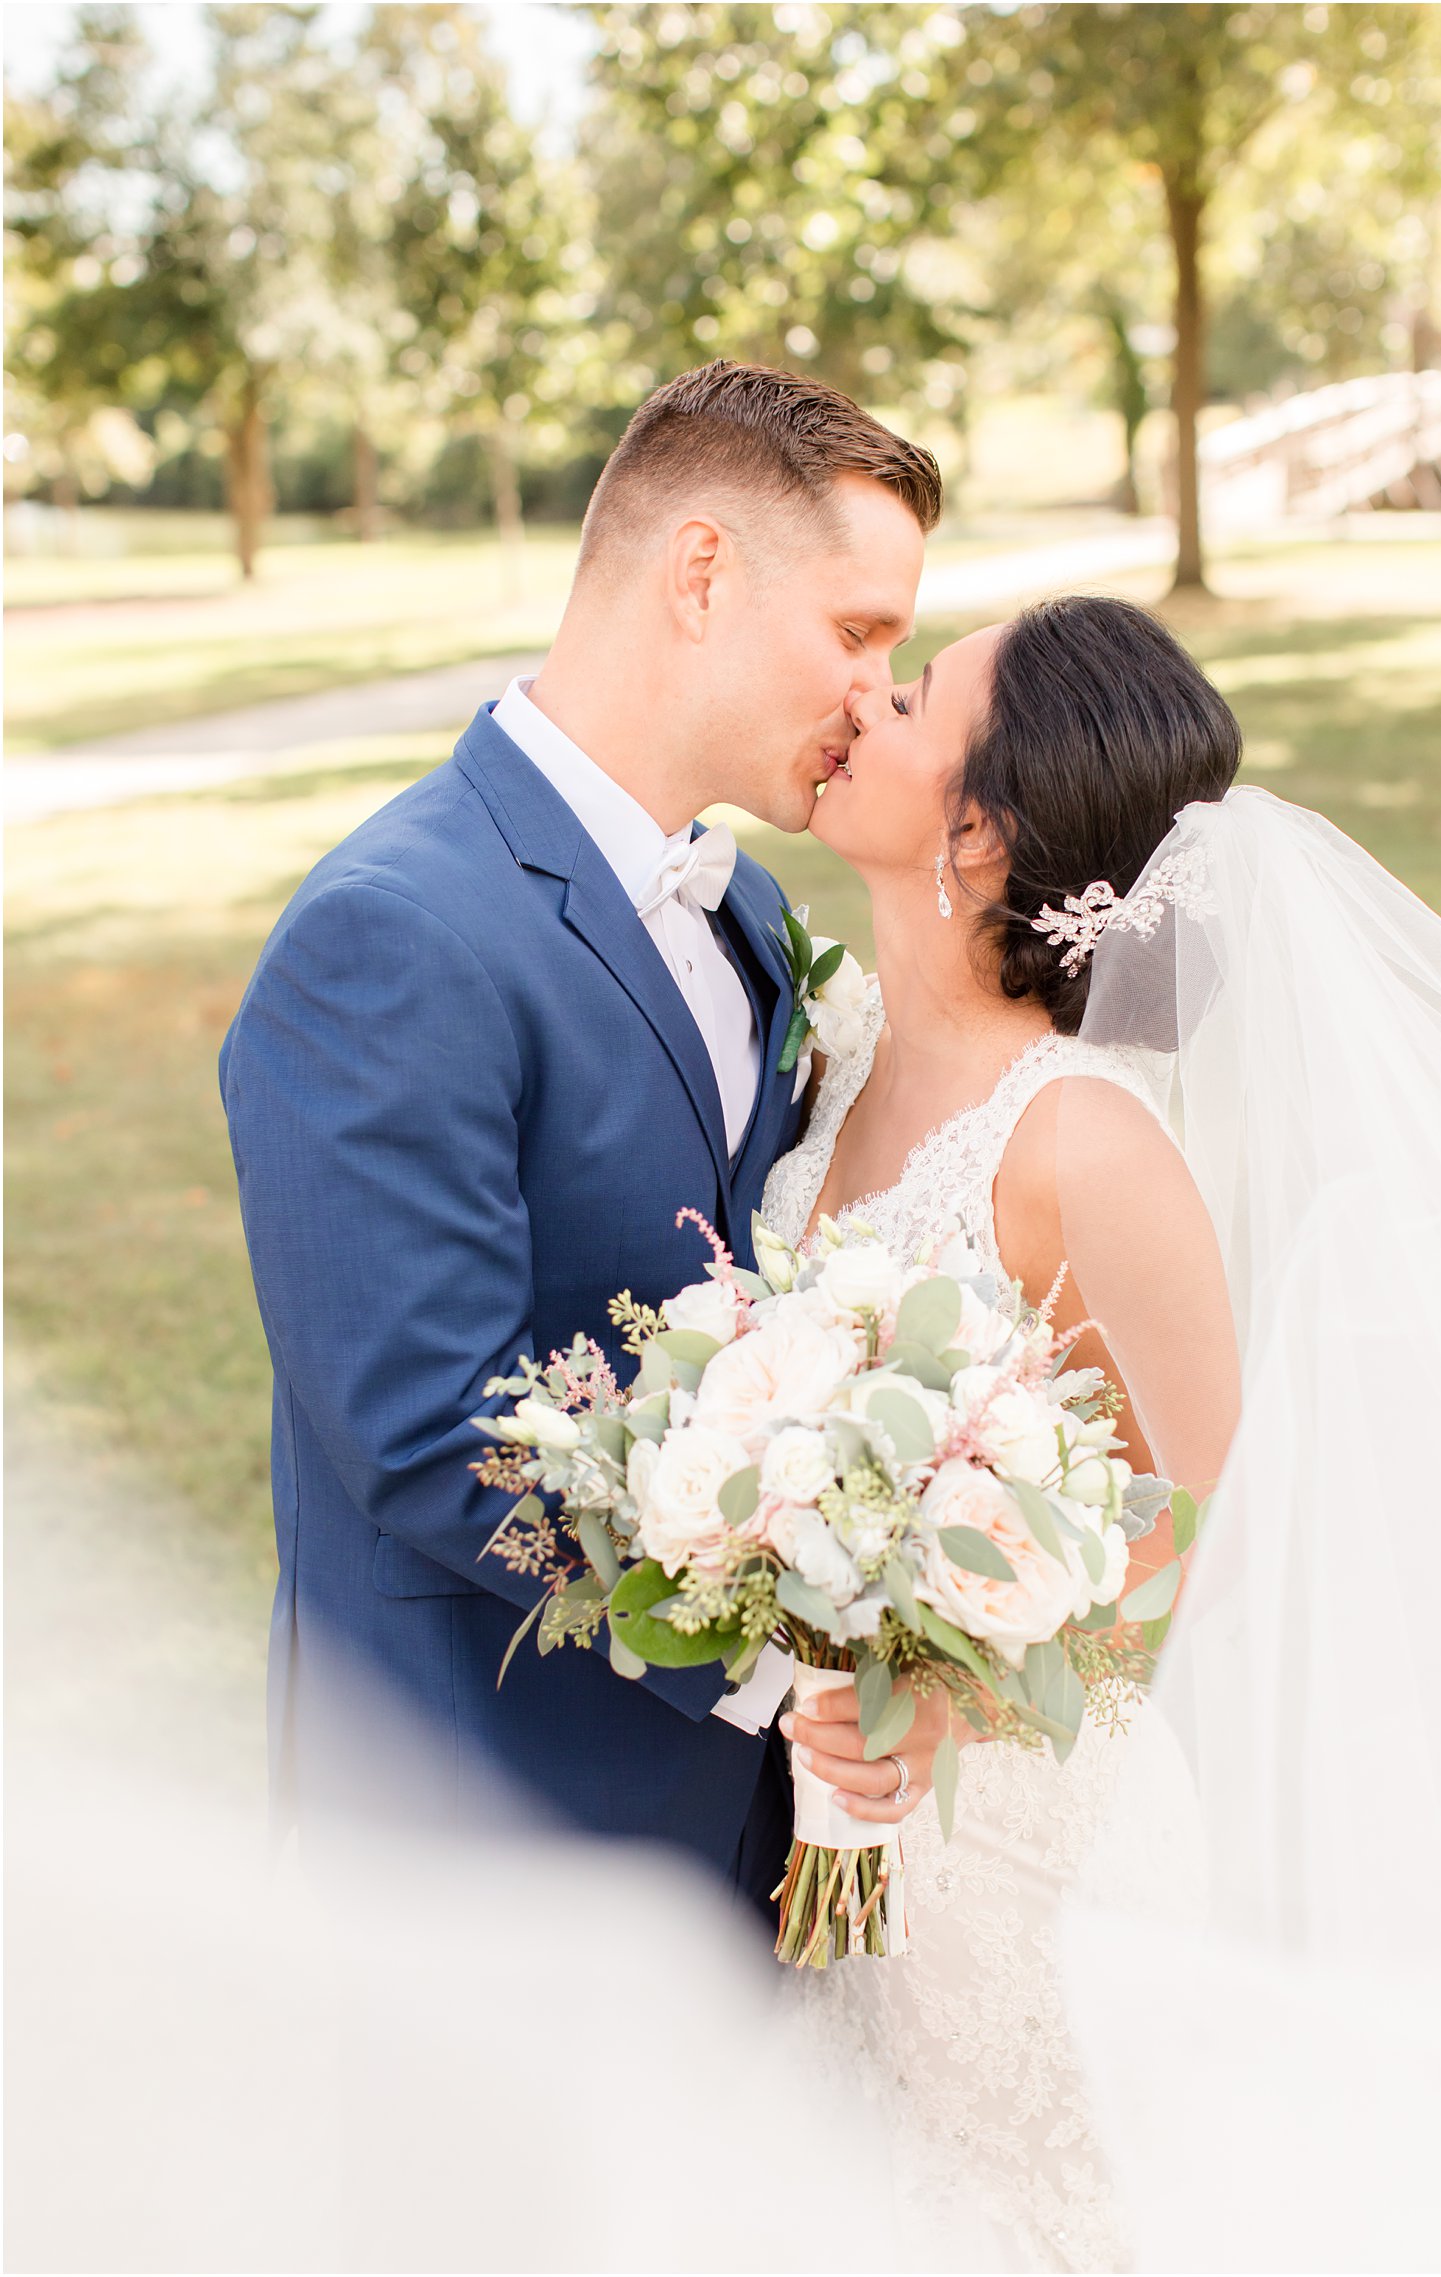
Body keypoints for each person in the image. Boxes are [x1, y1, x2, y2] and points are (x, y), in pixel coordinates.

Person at [763, 593, 1441, 2270]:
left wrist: (954, 1702)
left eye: (916, 696)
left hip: (1033, 1851)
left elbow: (1225, 1521)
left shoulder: (1085, 1142)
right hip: (848, 1831)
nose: (865, 699)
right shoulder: (835, 1053)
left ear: (980, 831)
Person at [219, 361, 938, 1917]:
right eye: (856, 631)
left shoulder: (745, 908)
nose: (877, 695)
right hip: (479, 1850)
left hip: (731, 1858)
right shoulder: (392, 932)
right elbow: (428, 1422)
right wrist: (778, 1649)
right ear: (701, 574)